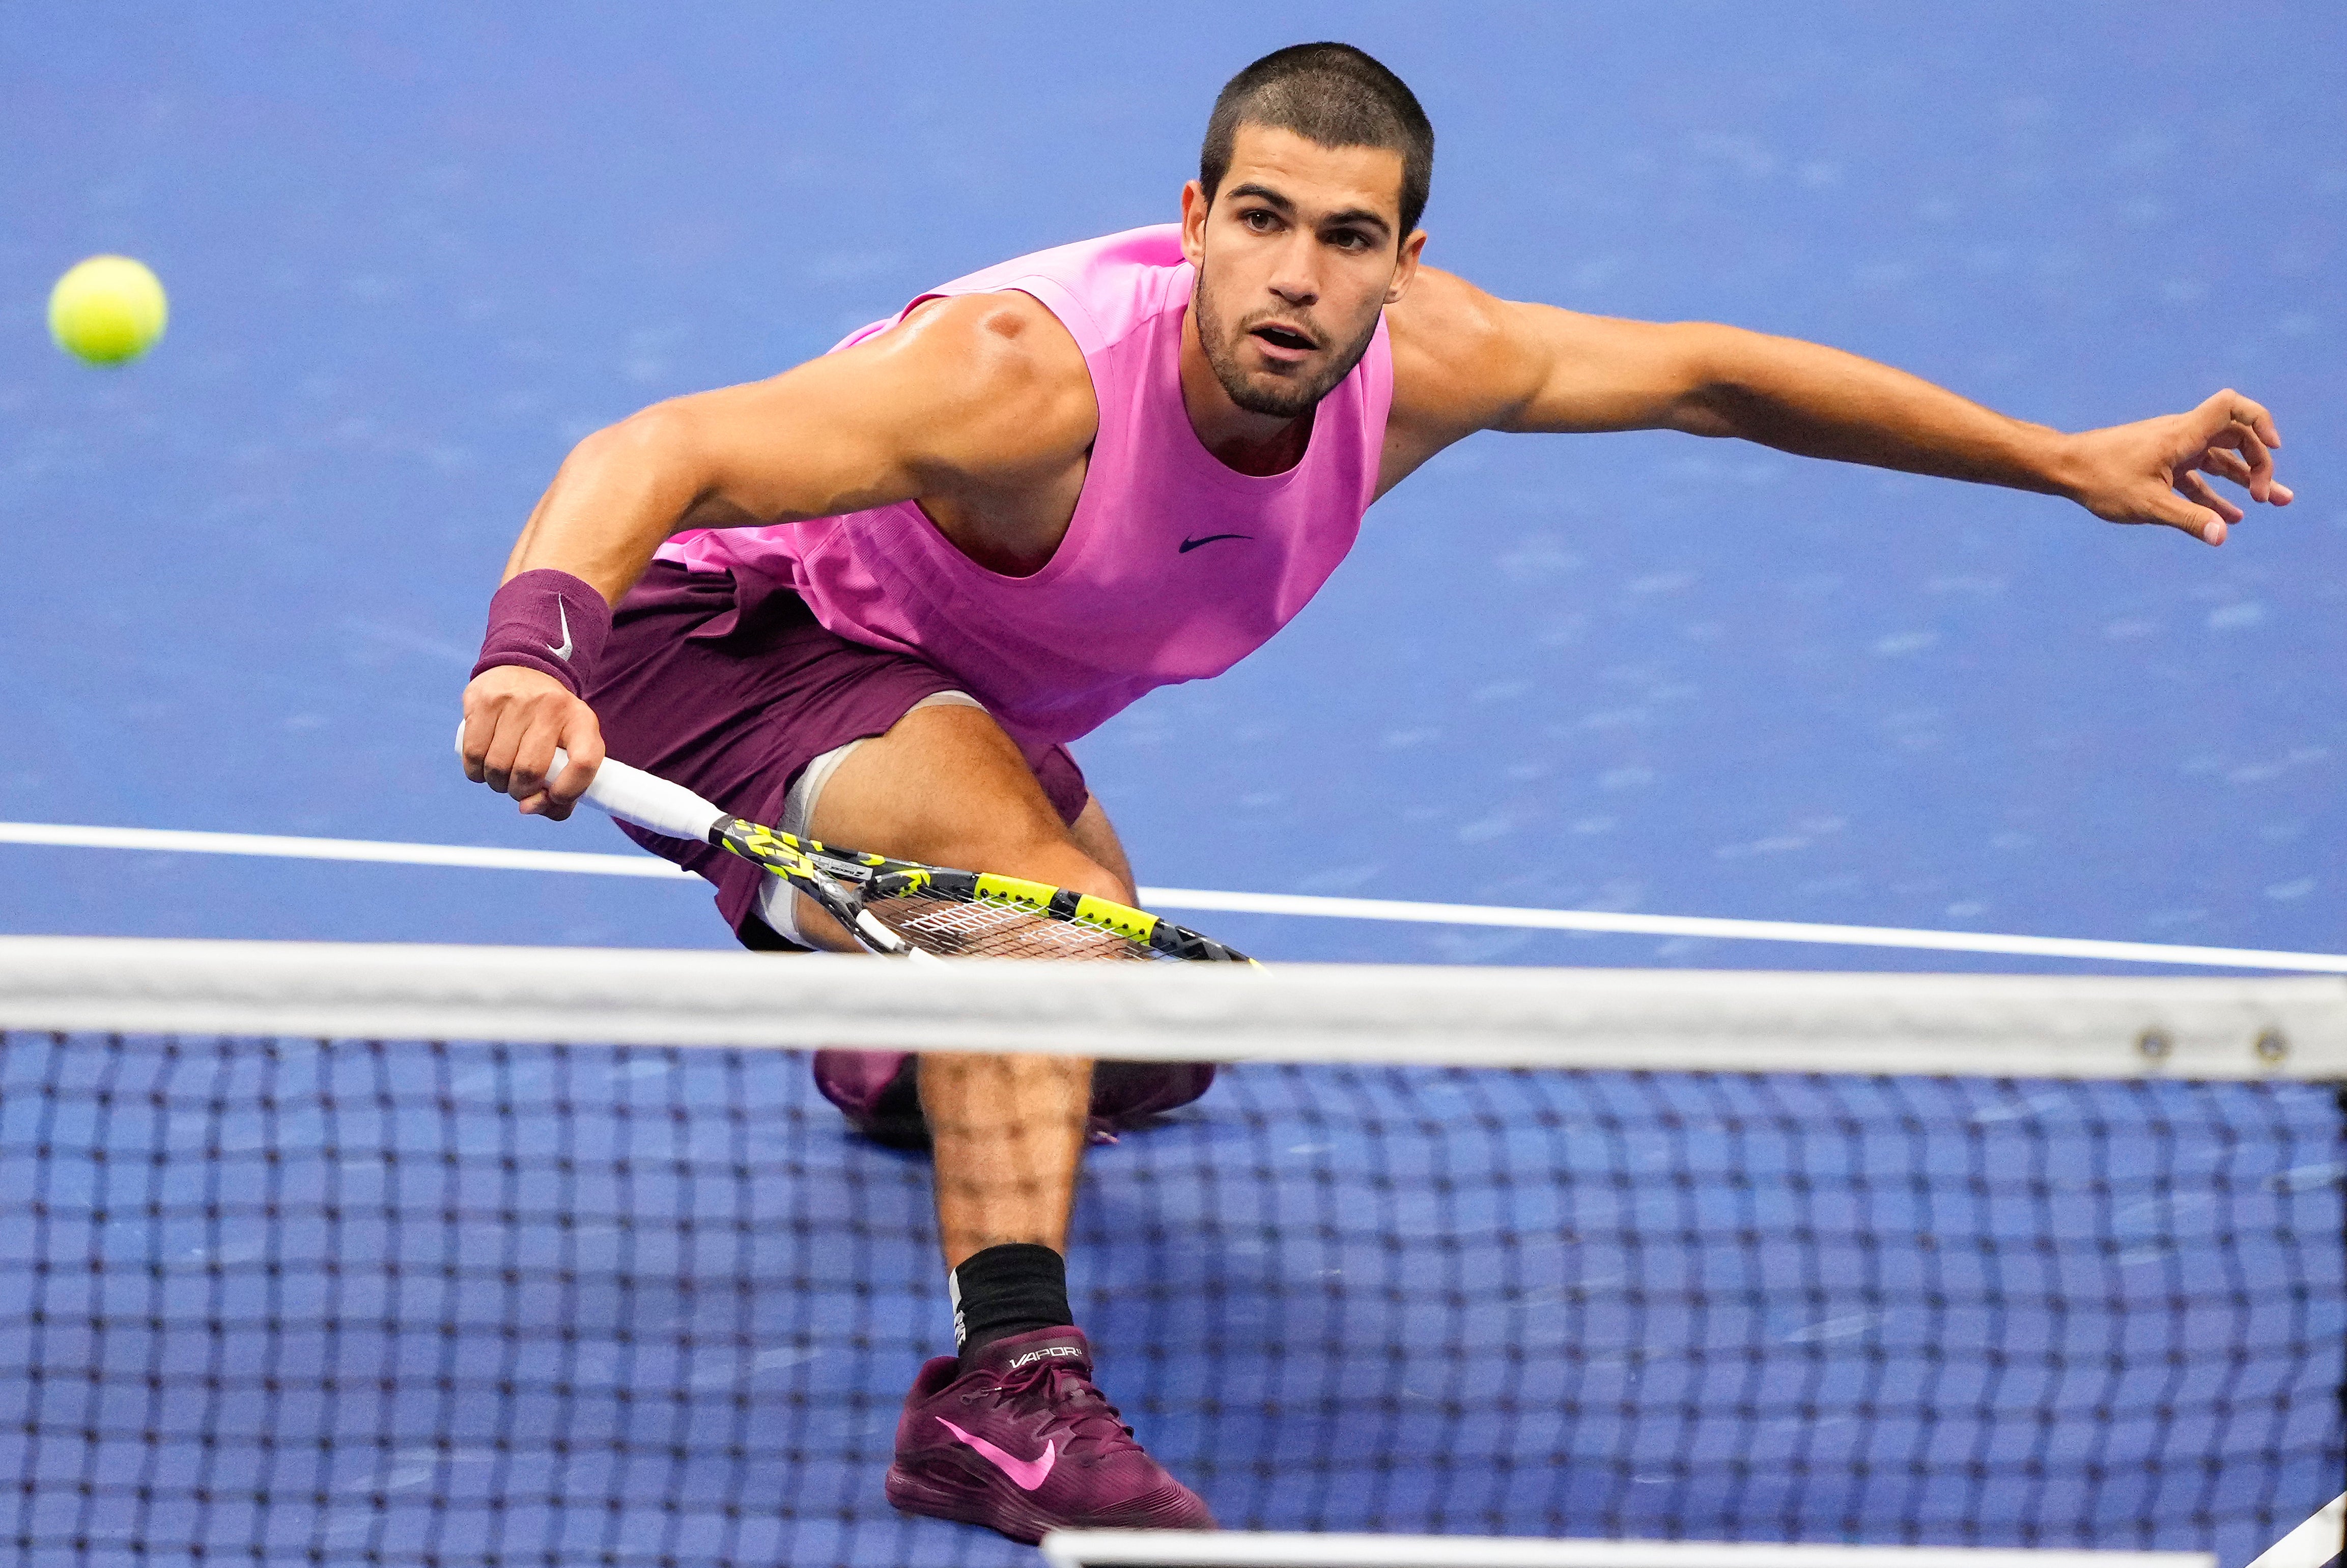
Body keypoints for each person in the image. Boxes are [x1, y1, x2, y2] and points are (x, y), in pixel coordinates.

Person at [457, 41, 2293, 1545]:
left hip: (937, 674)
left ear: (1401, 262)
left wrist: (2063, 458)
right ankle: (997, 1395)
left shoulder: (1433, 364)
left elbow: (1719, 382)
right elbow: (661, 448)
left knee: (1109, 1016)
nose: (1294, 273)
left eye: (1345, 237)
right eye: (1256, 220)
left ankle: (909, 1039)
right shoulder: (1025, 385)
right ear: (1193, 222)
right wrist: (534, 646)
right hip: (721, 638)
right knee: (1034, 919)